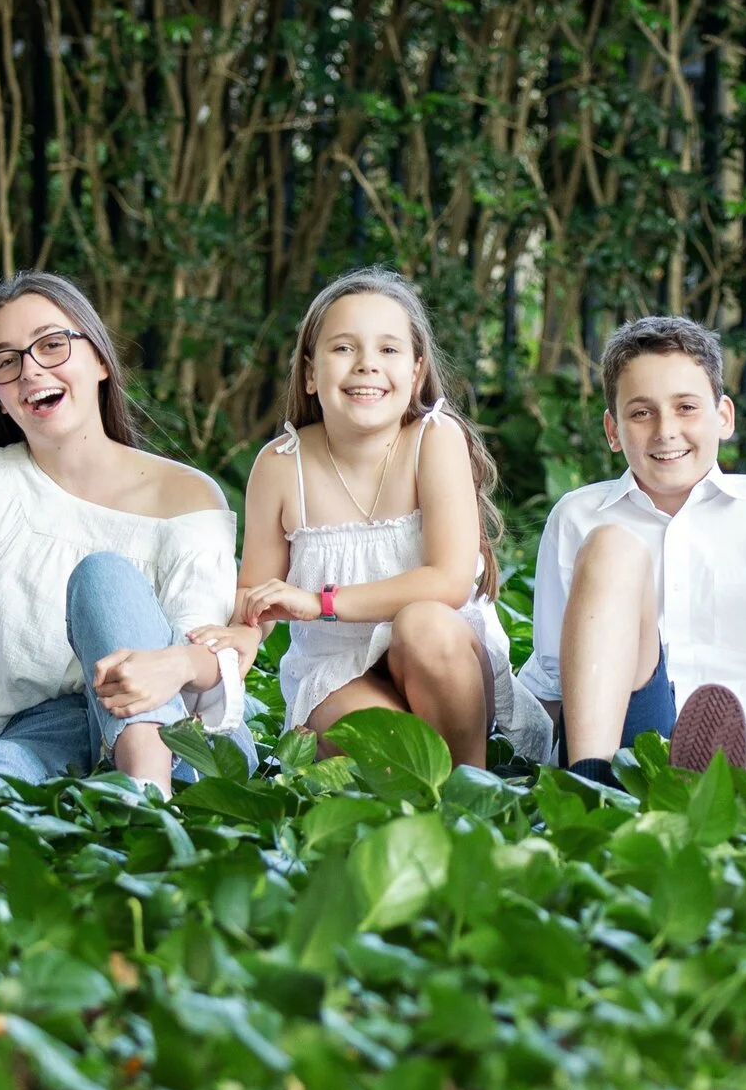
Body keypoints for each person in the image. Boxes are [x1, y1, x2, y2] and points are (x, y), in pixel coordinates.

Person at [0, 273, 249, 794]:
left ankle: (148, 797)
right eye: (6, 361)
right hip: (43, 729)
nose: (30, 370)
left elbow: (196, 659)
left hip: (181, 734)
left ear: (99, 360)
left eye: (52, 344)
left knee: (103, 578)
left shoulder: (191, 496)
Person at [214, 268, 549, 766]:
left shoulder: (433, 440)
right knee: (392, 752)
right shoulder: (281, 465)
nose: (367, 365)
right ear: (310, 372)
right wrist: (244, 630)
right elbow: (257, 592)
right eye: (344, 348)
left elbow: (449, 582)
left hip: (441, 653)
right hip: (337, 671)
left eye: (388, 350)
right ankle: (424, 792)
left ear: (416, 371)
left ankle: (468, 790)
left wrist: (319, 601)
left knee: (423, 623)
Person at [521, 316, 746, 786]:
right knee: (612, 546)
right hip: (625, 723)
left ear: (724, 417)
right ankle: (592, 783)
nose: (665, 430)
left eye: (686, 407)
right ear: (613, 431)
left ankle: (725, 779)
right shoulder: (579, 516)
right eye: (641, 413)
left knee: (739, 771)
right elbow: (557, 672)